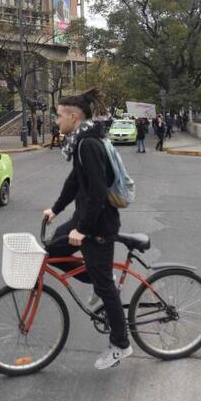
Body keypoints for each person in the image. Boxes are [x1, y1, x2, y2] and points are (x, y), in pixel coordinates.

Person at [42, 87, 131, 370]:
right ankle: (97, 279)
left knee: (106, 288)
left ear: (73, 116)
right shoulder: (80, 142)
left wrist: (82, 229)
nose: (56, 121)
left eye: (58, 116)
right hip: (85, 219)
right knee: (52, 249)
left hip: (99, 224)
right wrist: (55, 209)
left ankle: (121, 344)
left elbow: (96, 191)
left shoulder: (88, 145)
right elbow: (74, 182)